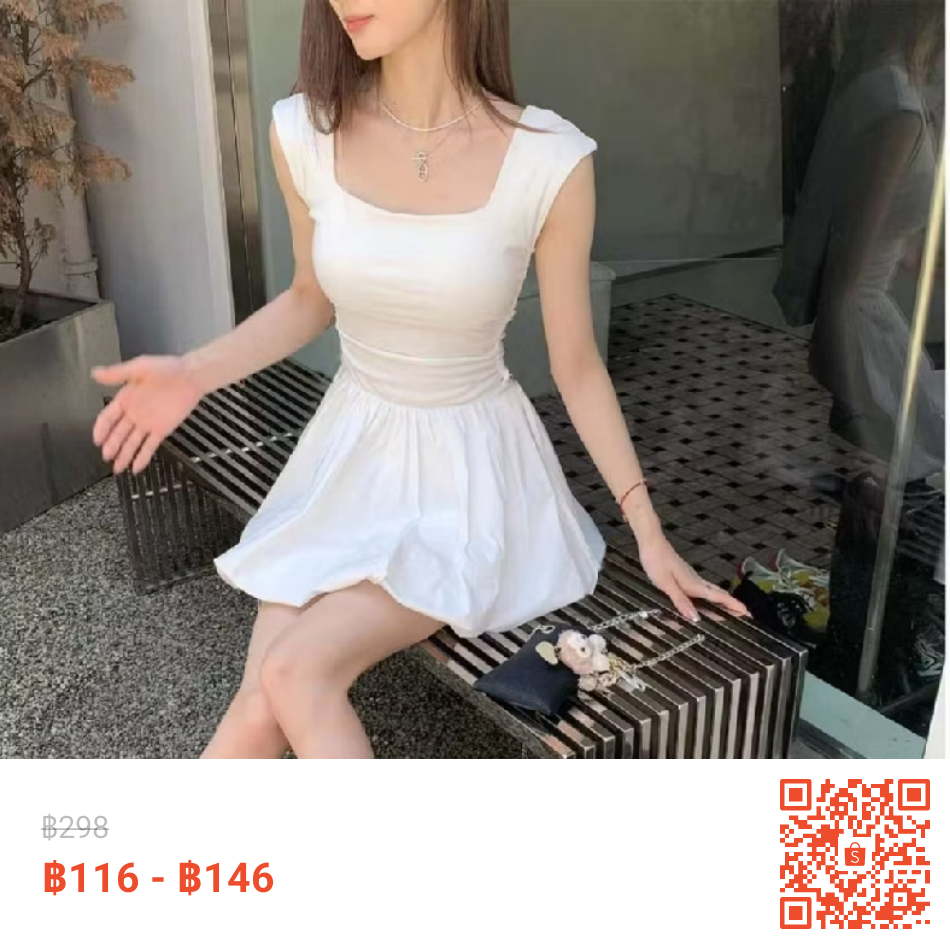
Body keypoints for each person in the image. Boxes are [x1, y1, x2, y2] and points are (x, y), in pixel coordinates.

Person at [89, 0, 748, 759]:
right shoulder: (304, 130)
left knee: (294, 672)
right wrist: (192, 373)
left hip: (467, 479)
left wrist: (650, 534)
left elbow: (576, 364)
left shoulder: (549, 160)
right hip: (351, 452)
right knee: (262, 696)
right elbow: (309, 298)